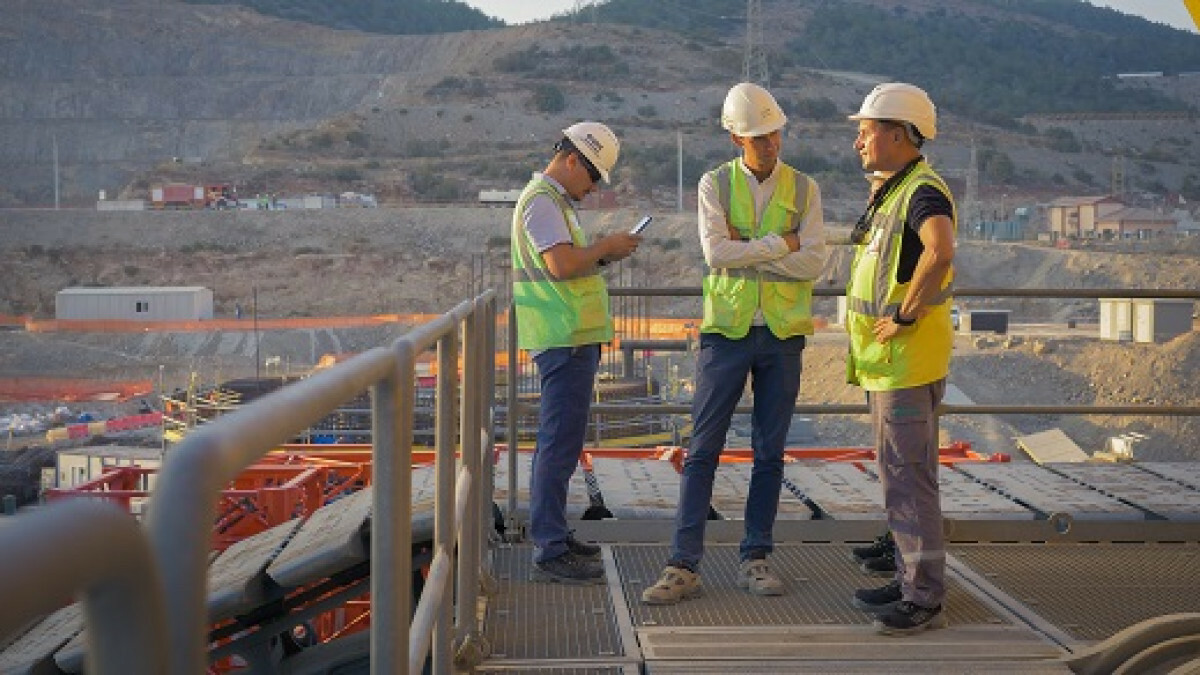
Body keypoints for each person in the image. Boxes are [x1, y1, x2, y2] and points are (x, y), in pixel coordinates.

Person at [642, 82, 827, 605]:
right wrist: (781, 246)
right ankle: (683, 565)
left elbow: (815, 260)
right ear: (734, 137)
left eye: (773, 133)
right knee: (703, 451)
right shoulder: (714, 186)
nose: (769, 143)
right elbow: (717, 254)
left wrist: (753, 250)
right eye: (757, 137)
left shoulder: (805, 189)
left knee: (770, 453)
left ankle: (756, 557)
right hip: (727, 332)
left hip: (783, 334)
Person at [843, 82, 957, 635]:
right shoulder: (898, 188)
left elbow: (940, 249)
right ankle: (910, 578)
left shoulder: (922, 193)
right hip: (893, 363)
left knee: (909, 480)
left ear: (896, 133)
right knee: (903, 476)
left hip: (905, 361)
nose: (859, 140)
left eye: (866, 131)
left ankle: (923, 599)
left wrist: (906, 315)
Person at [511, 121, 642, 584]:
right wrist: (604, 246)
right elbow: (562, 265)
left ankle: (556, 535)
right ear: (571, 160)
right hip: (561, 338)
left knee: (563, 444)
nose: (591, 189)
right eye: (592, 177)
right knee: (556, 444)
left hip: (569, 337)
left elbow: (568, 264)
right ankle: (549, 547)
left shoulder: (553, 203)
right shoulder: (543, 203)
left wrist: (604, 255)